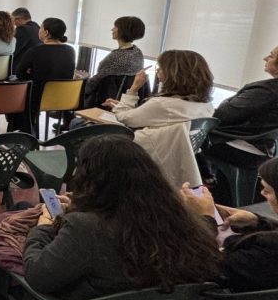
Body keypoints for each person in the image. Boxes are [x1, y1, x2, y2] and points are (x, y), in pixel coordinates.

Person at [21, 137, 220, 300]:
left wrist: (43, 227)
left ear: (89, 179)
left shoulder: (86, 228)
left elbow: (37, 275)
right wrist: (208, 217)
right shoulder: (175, 220)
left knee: (7, 290)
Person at [103, 49, 215, 187]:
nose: (157, 70)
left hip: (141, 155)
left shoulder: (163, 105)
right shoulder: (206, 105)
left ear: (174, 74)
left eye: (161, 67)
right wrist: (123, 106)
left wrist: (134, 88)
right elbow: (159, 119)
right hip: (172, 160)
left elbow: (124, 118)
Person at [181, 156, 278, 292]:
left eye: (267, 191)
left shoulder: (264, 257)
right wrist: (258, 222)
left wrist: (206, 219)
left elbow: (202, 266)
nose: (262, 193)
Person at [202, 43, 278, 168]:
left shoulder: (267, 90)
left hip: (240, 149)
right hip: (261, 150)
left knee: (184, 139)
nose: (265, 58)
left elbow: (222, 115)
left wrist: (226, 101)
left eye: (271, 56)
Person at [11, 17, 77, 133]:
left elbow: (19, 73)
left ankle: (24, 130)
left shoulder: (35, 51)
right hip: (65, 98)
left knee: (16, 89)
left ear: (46, 32)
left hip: (39, 98)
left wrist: (32, 75)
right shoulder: (71, 50)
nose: (39, 30)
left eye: (40, 27)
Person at [82, 16, 146, 102]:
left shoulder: (115, 57)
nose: (112, 29)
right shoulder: (137, 52)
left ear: (123, 30)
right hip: (127, 100)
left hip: (108, 101)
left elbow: (95, 82)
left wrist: (83, 80)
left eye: (115, 27)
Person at [11, 7, 42, 74]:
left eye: (13, 20)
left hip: (20, 69)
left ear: (18, 19)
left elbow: (14, 50)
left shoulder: (22, 29)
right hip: (34, 67)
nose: (13, 24)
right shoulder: (37, 27)